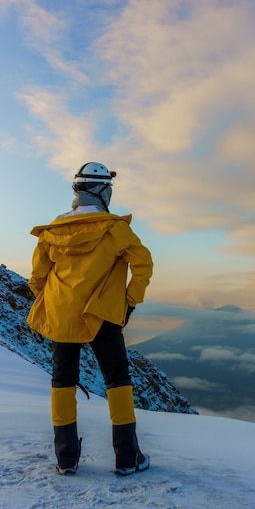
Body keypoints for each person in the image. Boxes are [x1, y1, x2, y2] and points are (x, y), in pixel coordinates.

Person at [26, 162, 153, 476]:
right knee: (117, 379)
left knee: (62, 381)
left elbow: (37, 279)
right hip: (103, 315)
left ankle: (66, 458)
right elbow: (144, 265)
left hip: (61, 315)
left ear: (77, 190)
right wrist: (128, 302)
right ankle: (127, 457)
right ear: (102, 191)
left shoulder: (52, 232)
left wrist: (54, 303)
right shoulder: (115, 228)